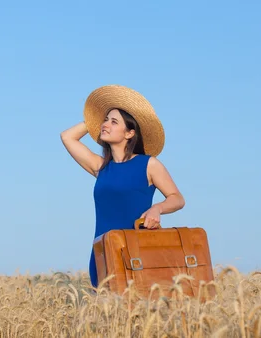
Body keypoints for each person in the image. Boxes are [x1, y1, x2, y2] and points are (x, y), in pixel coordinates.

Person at [60, 85, 185, 288]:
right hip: (103, 251)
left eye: (114, 121)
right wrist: (95, 118)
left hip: (136, 252)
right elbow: (67, 137)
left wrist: (157, 208)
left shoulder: (148, 164)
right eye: (105, 120)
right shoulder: (101, 167)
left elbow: (177, 198)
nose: (106, 125)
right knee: (109, 317)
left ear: (129, 133)